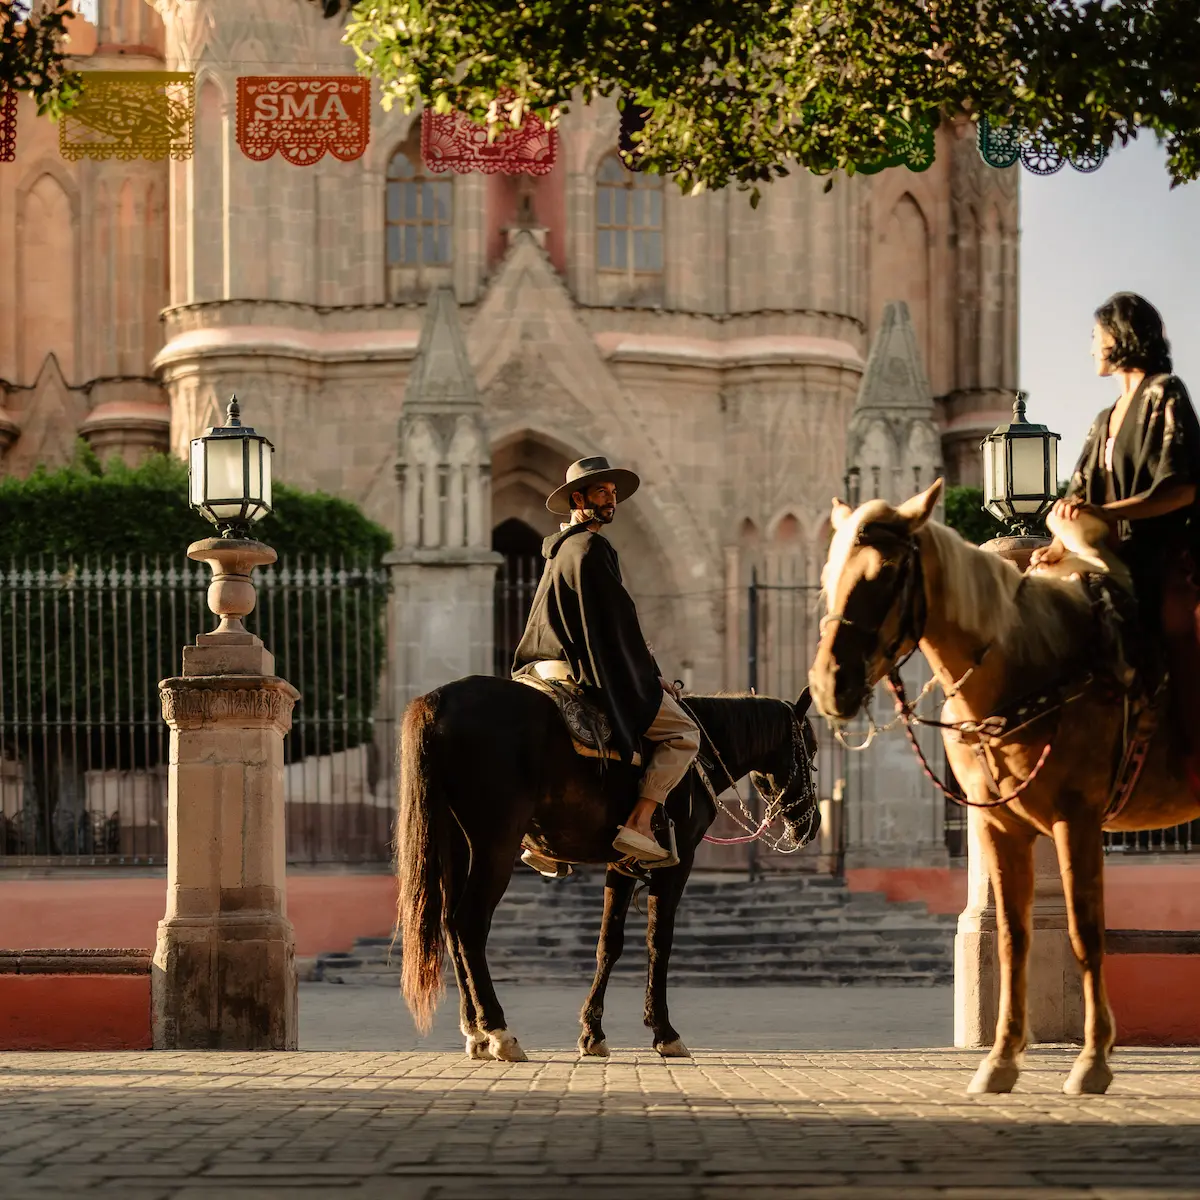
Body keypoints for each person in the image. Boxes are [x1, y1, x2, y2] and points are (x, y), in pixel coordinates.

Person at [513, 456, 700, 868]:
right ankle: (639, 822)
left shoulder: (557, 551)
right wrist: (651, 677)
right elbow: (619, 626)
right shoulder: (594, 547)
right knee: (684, 733)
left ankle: (540, 843)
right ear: (578, 498)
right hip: (580, 672)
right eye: (601, 492)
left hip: (541, 669)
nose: (611, 500)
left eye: (613, 493)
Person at [1032, 292, 1200, 667]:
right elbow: (1080, 500)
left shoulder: (1164, 393)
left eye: (1095, 336)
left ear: (1119, 335)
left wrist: (1106, 513)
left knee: (1179, 635)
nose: (1092, 348)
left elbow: (1183, 490)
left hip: (1156, 557)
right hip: (1099, 554)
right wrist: (1057, 547)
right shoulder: (1102, 419)